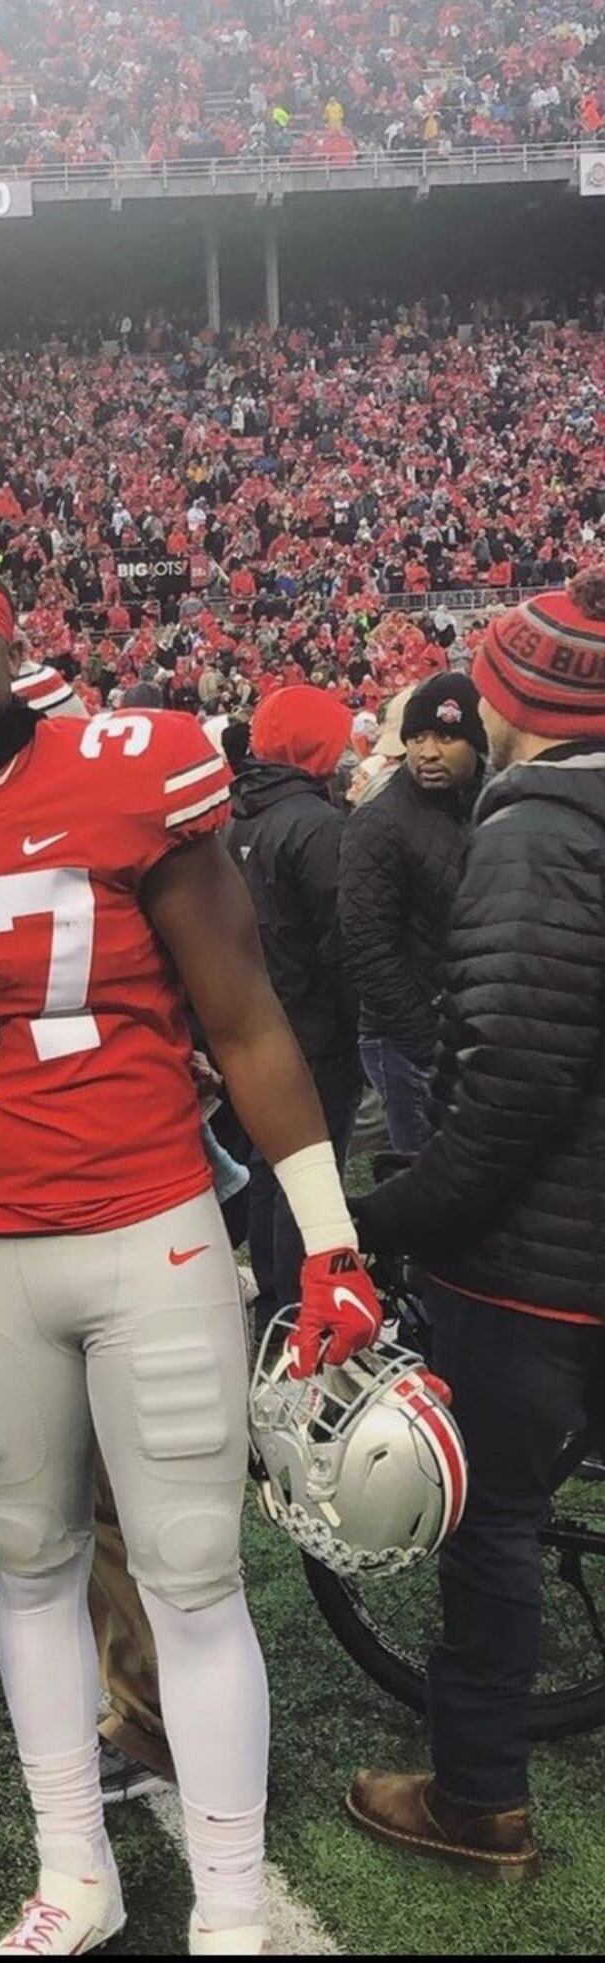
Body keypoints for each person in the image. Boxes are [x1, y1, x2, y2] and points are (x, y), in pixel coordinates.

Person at [0, 556, 383, 1958]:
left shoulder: (140, 772)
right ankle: (75, 1871)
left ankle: (236, 1903)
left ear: (19, 650)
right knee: (27, 1570)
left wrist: (328, 1233)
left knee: (193, 1575)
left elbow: (247, 1017)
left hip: (152, 1229)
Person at [347, 577, 605, 1882]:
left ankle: (478, 1794)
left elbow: (509, 1080)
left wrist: (392, 1212)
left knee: (493, 1514)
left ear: (515, 693)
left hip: (539, 1259)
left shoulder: (539, 825)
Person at [225, 685, 361, 1321]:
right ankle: (296, 1302)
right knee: (307, 1169)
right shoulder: (318, 825)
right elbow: (344, 940)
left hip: (252, 1019)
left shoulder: (236, 812)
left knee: (265, 1159)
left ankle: (273, 1296)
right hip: (311, 1026)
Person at [339, 672, 487, 1155]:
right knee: (426, 1179)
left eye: (446, 737)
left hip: (471, 1028)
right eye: (417, 737)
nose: (428, 752)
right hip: (408, 1039)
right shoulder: (380, 821)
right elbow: (367, 948)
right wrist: (428, 1042)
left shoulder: (490, 802)